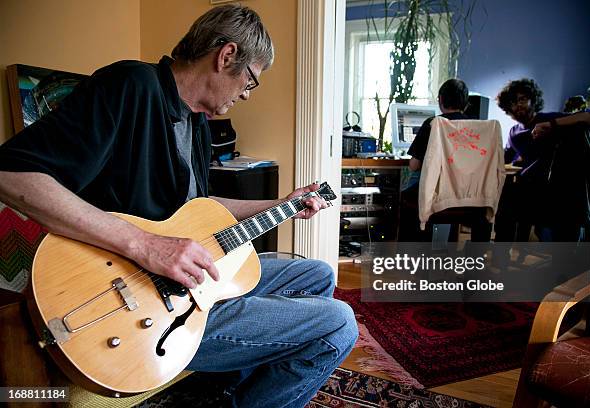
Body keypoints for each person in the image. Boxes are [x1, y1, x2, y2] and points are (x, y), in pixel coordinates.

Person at [0, 5, 357, 408]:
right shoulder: (131, 85)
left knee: (317, 275)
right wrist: (145, 246)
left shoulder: (196, 123)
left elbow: (198, 208)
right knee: (339, 324)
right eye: (251, 81)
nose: (246, 93)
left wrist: (280, 203)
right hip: (133, 301)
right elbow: (10, 175)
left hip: (186, 281)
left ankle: (219, 393)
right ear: (226, 56)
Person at [496, 78, 590, 242]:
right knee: (504, 196)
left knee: (512, 197)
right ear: (507, 108)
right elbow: (504, 158)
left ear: (533, 101)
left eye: (522, 99)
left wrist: (552, 124)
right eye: (513, 102)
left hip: (556, 191)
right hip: (531, 189)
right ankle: (500, 258)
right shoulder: (514, 132)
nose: (518, 105)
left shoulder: (547, 119)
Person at [399, 78, 491, 241]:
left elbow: (414, 165)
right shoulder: (479, 127)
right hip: (469, 200)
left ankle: (413, 256)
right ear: (466, 103)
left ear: (440, 100)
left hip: (437, 199)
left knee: (409, 193)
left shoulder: (434, 123)